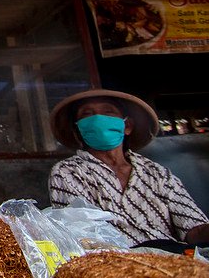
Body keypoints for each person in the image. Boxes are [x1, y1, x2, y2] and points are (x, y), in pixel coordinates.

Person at [48, 89, 209, 247]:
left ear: (127, 126)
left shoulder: (157, 173)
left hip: (174, 260)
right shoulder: (67, 172)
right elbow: (84, 238)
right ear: (79, 130)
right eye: (87, 114)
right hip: (112, 265)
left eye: (108, 112)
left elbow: (193, 228)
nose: (98, 118)